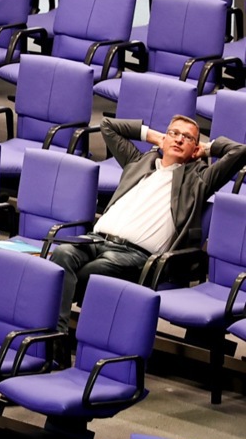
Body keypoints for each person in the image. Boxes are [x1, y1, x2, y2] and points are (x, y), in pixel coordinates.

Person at [51, 114, 246, 332]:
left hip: (134, 255)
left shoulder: (198, 179)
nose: (179, 140)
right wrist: (154, 136)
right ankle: (57, 334)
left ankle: (57, 335)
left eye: (187, 138)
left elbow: (240, 151)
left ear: (195, 149)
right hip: (95, 240)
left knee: (89, 273)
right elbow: (107, 126)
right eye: (174, 133)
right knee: (62, 254)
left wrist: (207, 149)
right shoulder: (138, 162)